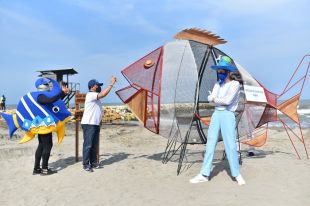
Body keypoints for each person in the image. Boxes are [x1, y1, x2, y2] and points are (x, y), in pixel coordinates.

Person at [190, 56, 246, 185]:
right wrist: (215, 100)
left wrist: (215, 99)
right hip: (216, 115)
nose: (220, 72)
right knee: (210, 143)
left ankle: (236, 174)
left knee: (230, 145)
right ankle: (204, 174)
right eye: (219, 70)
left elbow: (227, 101)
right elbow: (210, 100)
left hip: (228, 115)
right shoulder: (217, 84)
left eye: (222, 70)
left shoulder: (235, 84)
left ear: (228, 71)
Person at [33, 78, 69, 175]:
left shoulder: (41, 96)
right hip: (44, 125)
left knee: (41, 145)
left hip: (42, 124)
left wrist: (63, 93)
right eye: (47, 85)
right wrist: (61, 92)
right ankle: (44, 169)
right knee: (47, 146)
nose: (49, 87)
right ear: (44, 86)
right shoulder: (40, 96)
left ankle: (36, 169)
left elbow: (54, 101)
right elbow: (50, 100)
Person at [81, 76, 117, 172]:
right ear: (92, 87)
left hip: (95, 124)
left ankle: (93, 163)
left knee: (94, 144)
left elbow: (97, 110)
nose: (99, 87)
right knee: (88, 144)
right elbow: (103, 94)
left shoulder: (95, 97)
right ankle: (85, 164)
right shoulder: (90, 94)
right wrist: (111, 84)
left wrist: (100, 121)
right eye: (97, 86)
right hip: (89, 124)